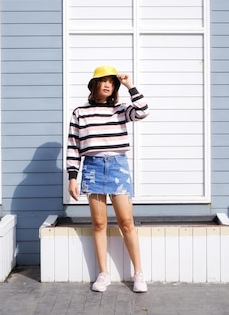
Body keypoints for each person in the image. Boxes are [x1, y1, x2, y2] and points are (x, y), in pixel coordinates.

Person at [66, 65, 149, 293]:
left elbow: (142, 111)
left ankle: (138, 273)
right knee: (99, 223)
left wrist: (130, 85)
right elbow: (73, 146)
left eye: (111, 82)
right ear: (94, 84)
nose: (107, 85)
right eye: (103, 81)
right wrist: (72, 177)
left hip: (117, 166)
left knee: (126, 221)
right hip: (92, 167)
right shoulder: (80, 113)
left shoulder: (121, 109)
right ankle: (104, 274)